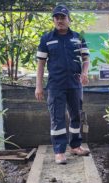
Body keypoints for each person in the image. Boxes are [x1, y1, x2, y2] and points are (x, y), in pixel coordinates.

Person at [35, 5, 90, 164]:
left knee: (76, 116)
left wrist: (85, 72)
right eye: (56, 17)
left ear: (69, 19)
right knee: (57, 118)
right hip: (55, 85)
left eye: (63, 17)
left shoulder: (78, 37)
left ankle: (75, 146)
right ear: (53, 20)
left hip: (75, 84)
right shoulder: (47, 39)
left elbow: (86, 59)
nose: (60, 20)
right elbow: (40, 64)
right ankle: (59, 151)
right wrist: (39, 86)